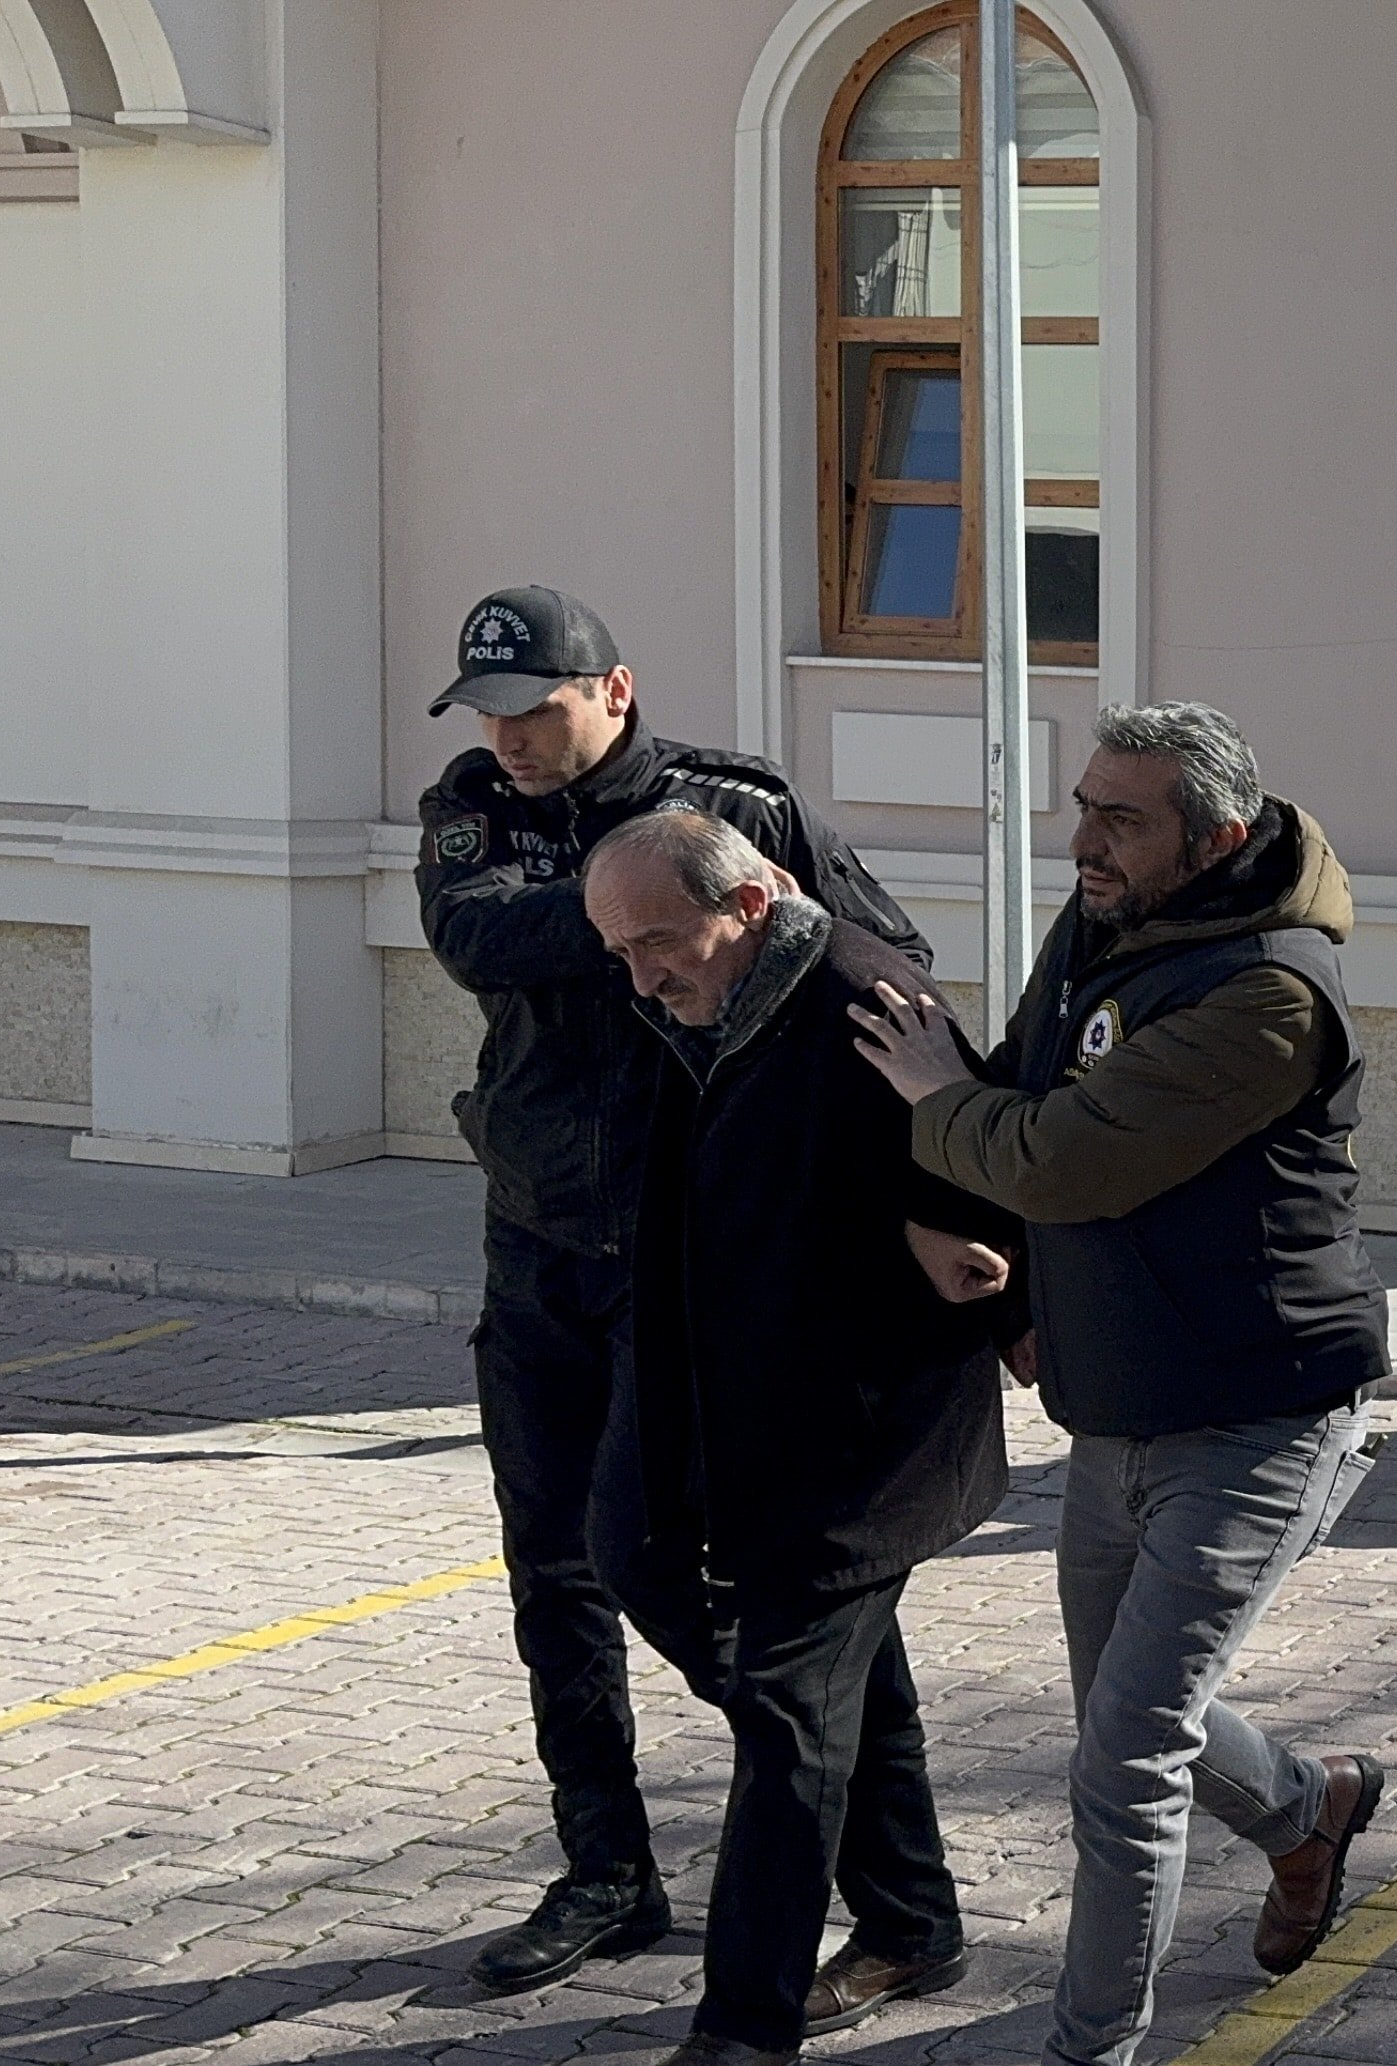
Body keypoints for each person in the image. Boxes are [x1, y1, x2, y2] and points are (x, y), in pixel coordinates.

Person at [846, 703, 1393, 2064]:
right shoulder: (1110, 920)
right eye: (1084, 804)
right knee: (1130, 1717)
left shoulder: (1269, 991)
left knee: (1126, 1753)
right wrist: (1017, 1293)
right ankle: (1306, 1809)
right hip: (1117, 1404)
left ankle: (1092, 2046)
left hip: (1260, 1415)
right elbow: (1032, 1093)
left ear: (1209, 837)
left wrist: (927, 1087)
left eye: (1120, 817)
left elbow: (1058, 1159)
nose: (1082, 838)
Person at [414, 585, 925, 1996]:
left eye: (535, 711)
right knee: (554, 1568)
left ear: (616, 692)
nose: (507, 741)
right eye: (489, 715)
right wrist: (661, 910)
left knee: (746, 1581)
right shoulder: (471, 812)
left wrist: (915, 1181)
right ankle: (607, 1868)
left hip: (693, 1255)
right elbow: (475, 940)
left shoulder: (740, 808)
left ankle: (856, 1826)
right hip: (537, 1242)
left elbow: (878, 962)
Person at [579, 812, 1017, 2066]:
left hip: (860, 1442)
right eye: (619, 950)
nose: (642, 973)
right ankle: (914, 1916)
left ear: (756, 903)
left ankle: (744, 2025)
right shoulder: (698, 999)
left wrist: (925, 1229)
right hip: (712, 1398)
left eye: (659, 940)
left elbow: (985, 1177)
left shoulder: (872, 1002)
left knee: (789, 1712)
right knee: (646, 1564)